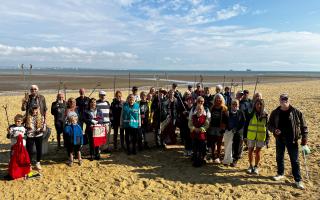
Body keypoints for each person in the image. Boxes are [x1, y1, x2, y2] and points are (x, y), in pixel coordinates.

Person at [268, 94, 308, 189]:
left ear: (289, 100)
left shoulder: (296, 112)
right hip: (280, 139)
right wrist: (274, 130)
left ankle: (298, 180)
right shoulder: (275, 112)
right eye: (282, 99)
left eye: (286, 99)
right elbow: (269, 125)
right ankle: (280, 173)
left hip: (292, 140)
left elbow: (304, 126)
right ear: (279, 100)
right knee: (279, 157)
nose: (284, 101)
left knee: (294, 160)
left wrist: (304, 138)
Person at [245, 99, 269, 175]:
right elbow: (246, 125)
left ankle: (256, 166)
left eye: (260, 104)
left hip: (261, 136)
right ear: (255, 105)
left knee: (258, 152)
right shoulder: (251, 113)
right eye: (257, 104)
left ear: (263, 105)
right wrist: (244, 136)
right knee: (250, 151)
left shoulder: (265, 114)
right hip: (251, 135)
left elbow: (267, 126)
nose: (259, 106)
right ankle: (250, 166)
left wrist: (267, 138)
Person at [207, 94, 228, 164]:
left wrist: (223, 128)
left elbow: (226, 120)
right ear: (214, 100)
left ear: (222, 100)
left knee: (219, 144)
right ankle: (213, 156)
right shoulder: (212, 108)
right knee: (212, 143)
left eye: (219, 98)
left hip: (220, 128)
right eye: (216, 98)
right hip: (212, 127)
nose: (218, 100)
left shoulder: (224, 108)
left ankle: (218, 156)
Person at [224, 100, 245, 167]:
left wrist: (236, 129)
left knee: (237, 146)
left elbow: (243, 122)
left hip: (238, 132)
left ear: (238, 105)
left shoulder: (241, 112)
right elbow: (225, 122)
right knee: (228, 146)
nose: (234, 105)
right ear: (231, 105)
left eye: (236, 104)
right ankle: (228, 159)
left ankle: (235, 160)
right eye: (233, 104)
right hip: (229, 132)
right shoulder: (228, 112)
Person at [25, 105, 46, 170]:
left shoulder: (41, 117)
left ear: (38, 109)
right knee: (29, 150)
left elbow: (44, 126)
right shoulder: (27, 117)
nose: (35, 111)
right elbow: (21, 124)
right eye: (33, 109)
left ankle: (38, 162)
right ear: (31, 109)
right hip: (30, 135)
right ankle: (29, 164)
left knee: (39, 149)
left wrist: (42, 129)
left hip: (39, 135)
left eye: (36, 109)